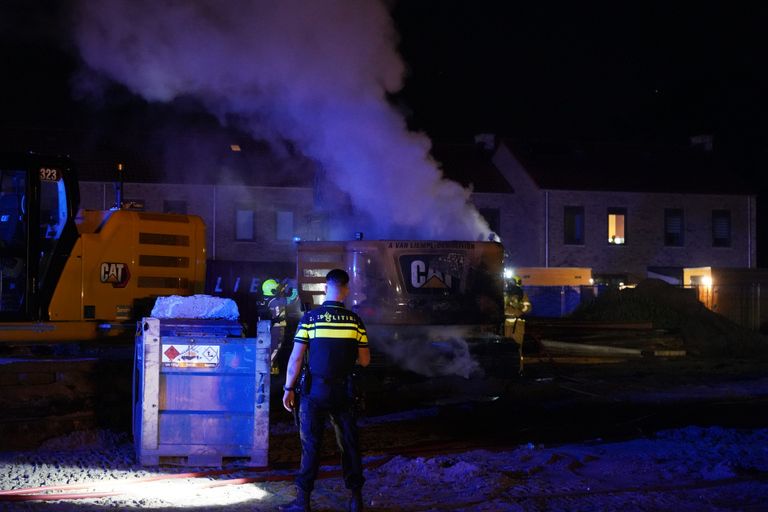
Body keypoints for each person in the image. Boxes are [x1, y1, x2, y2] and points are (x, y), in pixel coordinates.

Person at [280, 268, 371, 512]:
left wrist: (288, 388)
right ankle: (355, 501)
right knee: (350, 445)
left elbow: (296, 358)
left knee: (311, 445)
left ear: (325, 288)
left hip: (314, 393)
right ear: (346, 290)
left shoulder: (311, 319)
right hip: (345, 393)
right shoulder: (355, 321)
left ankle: (303, 502)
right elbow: (364, 361)